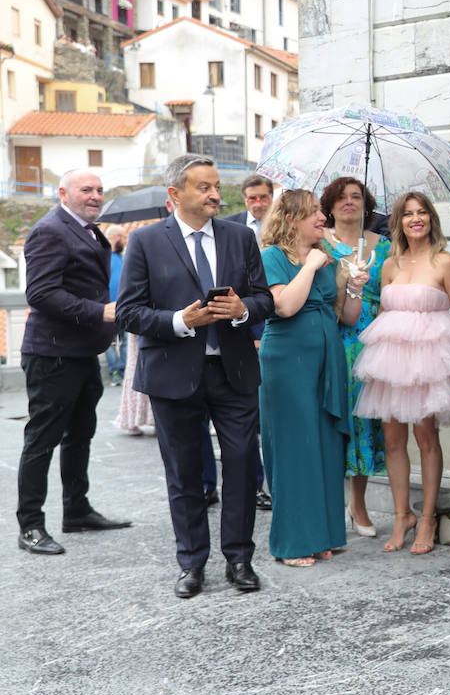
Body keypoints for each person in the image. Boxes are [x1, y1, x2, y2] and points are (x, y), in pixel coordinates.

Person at [116, 156, 273, 597]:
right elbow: (128, 311)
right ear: (175, 195)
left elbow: (264, 300)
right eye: (204, 187)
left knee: (242, 466)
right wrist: (179, 321)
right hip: (172, 375)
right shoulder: (146, 241)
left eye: (217, 186)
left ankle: (240, 559)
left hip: (233, 371)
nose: (214, 195)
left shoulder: (240, 237)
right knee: (183, 473)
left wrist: (243, 310)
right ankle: (191, 564)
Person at [17, 170, 131, 556]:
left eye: (100, 189)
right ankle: (30, 525)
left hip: (82, 352)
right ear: (63, 193)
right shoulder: (50, 229)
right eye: (87, 190)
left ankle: (76, 511)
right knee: (42, 439)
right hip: (52, 354)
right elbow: (42, 293)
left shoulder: (88, 229)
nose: (96, 196)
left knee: (80, 434)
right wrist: (99, 312)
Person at [354, 191, 450, 555]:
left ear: (431, 219)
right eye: (407, 214)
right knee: (392, 441)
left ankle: (428, 517)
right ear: (398, 222)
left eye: (421, 213)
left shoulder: (445, 262)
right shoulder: (390, 264)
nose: (415, 219)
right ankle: (402, 514)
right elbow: (383, 314)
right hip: (390, 363)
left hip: (428, 364)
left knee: (426, 438)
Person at [257, 190, 368, 566]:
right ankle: (292, 543)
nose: (323, 217)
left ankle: (323, 534)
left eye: (321, 211)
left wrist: (355, 286)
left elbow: (346, 317)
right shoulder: (272, 257)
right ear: (290, 220)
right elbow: (284, 305)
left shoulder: (330, 259)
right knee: (294, 449)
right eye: (314, 213)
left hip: (327, 360)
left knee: (323, 446)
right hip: (288, 362)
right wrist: (310, 266)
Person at [321, 176, 391, 538]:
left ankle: (358, 504)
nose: (349, 202)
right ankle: (332, 503)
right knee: (335, 419)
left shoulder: (386, 245)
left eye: (357, 196)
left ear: (367, 206)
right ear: (329, 206)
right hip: (332, 339)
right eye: (341, 197)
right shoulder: (320, 244)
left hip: (375, 340)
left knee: (366, 420)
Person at [222, 174, 274, 511]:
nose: (257, 204)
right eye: (251, 198)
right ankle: (254, 486)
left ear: (272, 197)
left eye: (262, 197)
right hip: (243, 330)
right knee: (248, 418)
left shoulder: (285, 227)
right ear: (244, 199)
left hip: (274, 320)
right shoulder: (230, 230)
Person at [104, 226, 127, 385]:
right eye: (124, 238)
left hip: (125, 307)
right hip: (107, 308)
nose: (126, 242)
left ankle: (125, 370)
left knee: (125, 340)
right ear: (117, 237)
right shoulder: (103, 258)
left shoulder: (123, 258)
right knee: (108, 341)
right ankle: (115, 370)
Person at [223, 174, 274, 243]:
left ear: (271, 196)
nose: (258, 204)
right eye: (252, 199)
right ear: (244, 199)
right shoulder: (227, 226)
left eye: (263, 198)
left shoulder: (284, 225)